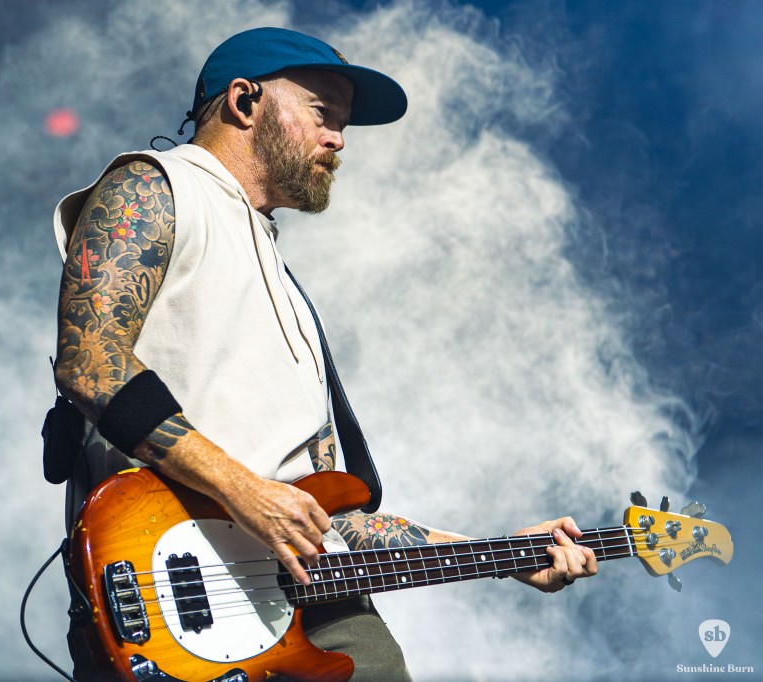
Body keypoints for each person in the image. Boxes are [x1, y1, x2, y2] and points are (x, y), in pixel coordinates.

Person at [52, 27, 597, 681]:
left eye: (342, 124)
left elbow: (333, 518)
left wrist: (502, 553)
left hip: (319, 615)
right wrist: (245, 492)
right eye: (323, 113)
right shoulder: (156, 187)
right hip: (173, 601)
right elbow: (90, 361)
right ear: (245, 101)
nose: (339, 139)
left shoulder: (281, 287)